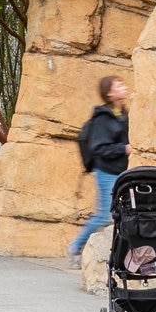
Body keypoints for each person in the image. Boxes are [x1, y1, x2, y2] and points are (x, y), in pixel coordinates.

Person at [67, 77, 131, 263]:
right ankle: (75, 246)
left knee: (119, 214)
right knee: (104, 215)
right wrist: (123, 149)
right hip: (106, 171)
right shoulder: (103, 118)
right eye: (118, 85)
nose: (124, 87)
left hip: (119, 172)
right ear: (109, 93)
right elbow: (99, 148)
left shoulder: (121, 114)